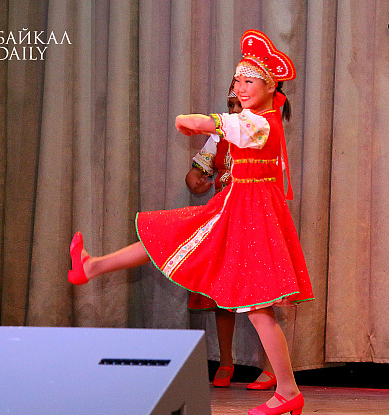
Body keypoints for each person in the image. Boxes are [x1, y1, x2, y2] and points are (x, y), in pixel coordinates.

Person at [69, 29, 314, 415]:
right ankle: (93, 266)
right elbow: (222, 136)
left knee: (257, 309)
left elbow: (225, 126)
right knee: (171, 237)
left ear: (271, 87)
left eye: (250, 81)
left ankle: (287, 390)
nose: (241, 87)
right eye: (238, 80)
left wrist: (196, 121)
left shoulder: (260, 123)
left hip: (252, 218)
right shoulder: (252, 118)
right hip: (235, 208)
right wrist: (203, 133)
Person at [186, 85, 277, 391]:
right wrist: (195, 180)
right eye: (231, 104)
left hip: (253, 221)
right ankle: (226, 361)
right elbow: (198, 170)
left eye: (241, 104)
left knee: (260, 295)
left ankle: (272, 368)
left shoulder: (261, 132)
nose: (235, 110)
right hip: (225, 221)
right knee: (222, 295)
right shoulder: (220, 136)